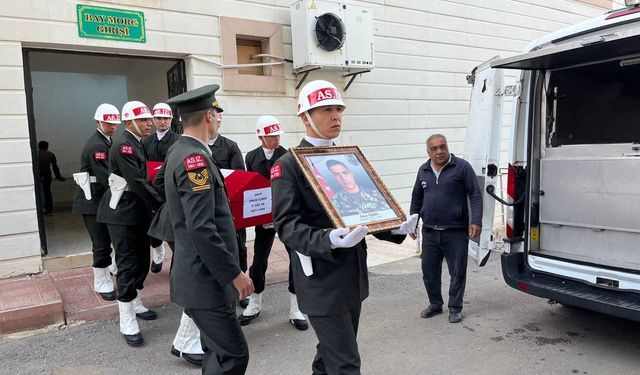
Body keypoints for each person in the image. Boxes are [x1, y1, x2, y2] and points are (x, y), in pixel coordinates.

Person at [271, 80, 418, 375]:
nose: (336, 116)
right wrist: (328, 239)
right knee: (346, 364)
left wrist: (395, 227)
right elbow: (286, 225)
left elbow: (365, 208)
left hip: (352, 277)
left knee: (329, 355)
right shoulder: (288, 165)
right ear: (305, 117)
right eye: (326, 110)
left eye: (338, 109)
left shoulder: (347, 157)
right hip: (322, 281)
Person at [162, 84, 253, 374]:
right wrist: (234, 274)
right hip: (207, 280)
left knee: (217, 353)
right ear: (209, 116)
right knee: (233, 356)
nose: (218, 120)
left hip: (204, 277)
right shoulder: (194, 160)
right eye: (216, 114)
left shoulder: (183, 151)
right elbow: (202, 228)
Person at [96, 100, 163, 347]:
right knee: (127, 263)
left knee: (142, 262)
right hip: (122, 214)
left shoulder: (137, 142)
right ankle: (127, 319)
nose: (150, 123)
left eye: (149, 119)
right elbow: (136, 181)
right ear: (129, 122)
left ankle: (135, 301)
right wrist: (162, 202)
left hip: (137, 212)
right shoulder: (124, 145)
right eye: (144, 120)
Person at [239, 115, 308, 331]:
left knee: (295, 260)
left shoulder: (287, 156)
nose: (275, 139)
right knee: (259, 261)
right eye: (271, 135)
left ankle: (295, 309)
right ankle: (254, 304)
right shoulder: (251, 157)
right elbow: (250, 188)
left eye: (277, 134)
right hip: (263, 220)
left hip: (286, 216)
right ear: (260, 136)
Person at [409, 134, 482, 324]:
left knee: (457, 272)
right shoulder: (423, 170)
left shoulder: (462, 167)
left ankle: (455, 308)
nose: (439, 151)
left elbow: (475, 193)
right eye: (434, 148)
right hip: (430, 232)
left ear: (447, 147)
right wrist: (413, 222)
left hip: (455, 231)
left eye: (442, 147)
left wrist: (477, 221)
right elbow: (416, 198)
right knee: (429, 271)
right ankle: (435, 304)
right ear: (428, 151)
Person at [148, 166, 204, 367]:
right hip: (179, 221)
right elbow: (159, 183)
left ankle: (188, 340)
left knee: (195, 277)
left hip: (187, 221)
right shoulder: (185, 152)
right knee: (196, 277)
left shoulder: (194, 149)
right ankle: (185, 342)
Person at [71, 103, 120, 301]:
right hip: (92, 200)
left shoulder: (106, 140)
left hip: (101, 198)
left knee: (108, 239)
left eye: (115, 124)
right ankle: (101, 282)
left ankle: (109, 270)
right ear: (98, 122)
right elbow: (104, 177)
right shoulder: (98, 145)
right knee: (100, 242)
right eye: (109, 124)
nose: (113, 127)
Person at [207, 110, 249, 308]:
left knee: (238, 247)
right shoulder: (197, 147)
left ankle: (242, 287)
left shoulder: (230, 146)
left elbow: (239, 177)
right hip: (209, 208)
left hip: (230, 207)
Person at [143, 102, 179, 273]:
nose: (162, 122)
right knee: (152, 226)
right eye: (158, 118)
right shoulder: (146, 142)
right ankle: (158, 251)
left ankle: (176, 264)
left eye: (165, 118)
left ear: (171, 119)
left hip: (170, 191)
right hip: (151, 190)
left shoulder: (177, 141)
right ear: (153, 119)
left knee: (172, 228)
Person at [325, 159, 390, 216]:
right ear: (333, 179)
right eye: (336, 175)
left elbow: (388, 216)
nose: (343, 178)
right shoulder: (334, 201)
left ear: (351, 173)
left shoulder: (376, 194)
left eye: (345, 173)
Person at [38, 140, 66, 215]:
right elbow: (55, 167)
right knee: (47, 192)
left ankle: (38, 209)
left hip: (38, 174)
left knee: (37, 192)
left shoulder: (35, 154)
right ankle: (49, 210)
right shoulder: (50, 154)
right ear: (47, 147)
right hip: (47, 174)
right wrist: (59, 177)